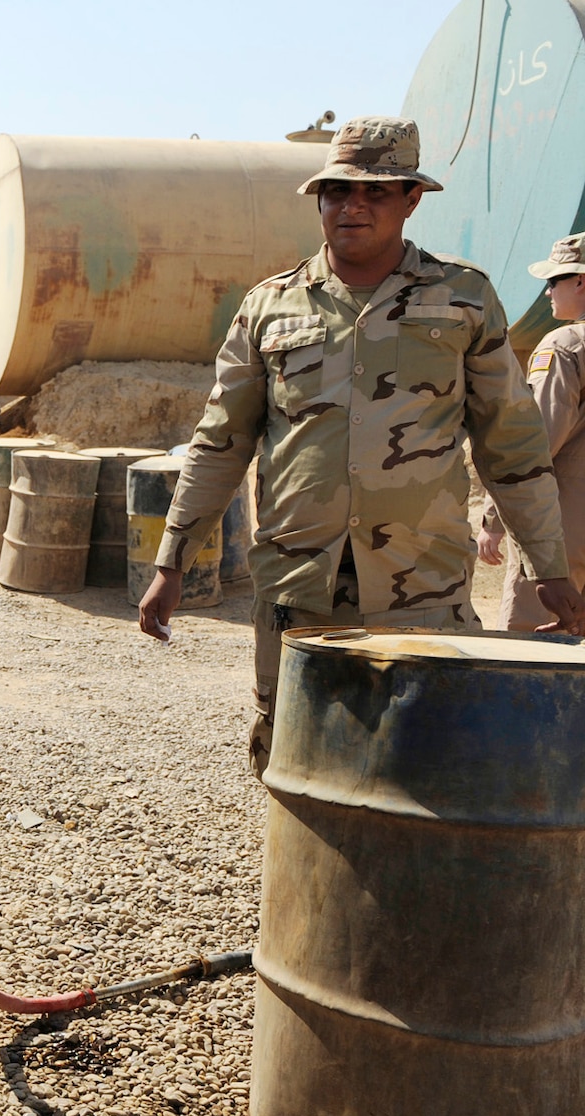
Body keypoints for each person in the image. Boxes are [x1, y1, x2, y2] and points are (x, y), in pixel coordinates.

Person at [136, 116, 585, 774]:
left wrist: (549, 567)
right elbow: (220, 444)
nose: (353, 206)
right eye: (337, 191)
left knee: (433, 765)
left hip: (422, 595)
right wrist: (172, 562)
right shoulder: (269, 309)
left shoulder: (463, 299)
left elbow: (512, 447)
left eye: (377, 192)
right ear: (318, 200)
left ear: (412, 199)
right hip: (300, 595)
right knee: (298, 763)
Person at [478, 231, 585, 628]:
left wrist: (492, 518)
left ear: (580, 280)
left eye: (552, 282)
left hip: (562, 530)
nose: (547, 294)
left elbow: (535, 441)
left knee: (531, 649)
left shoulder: (565, 345)